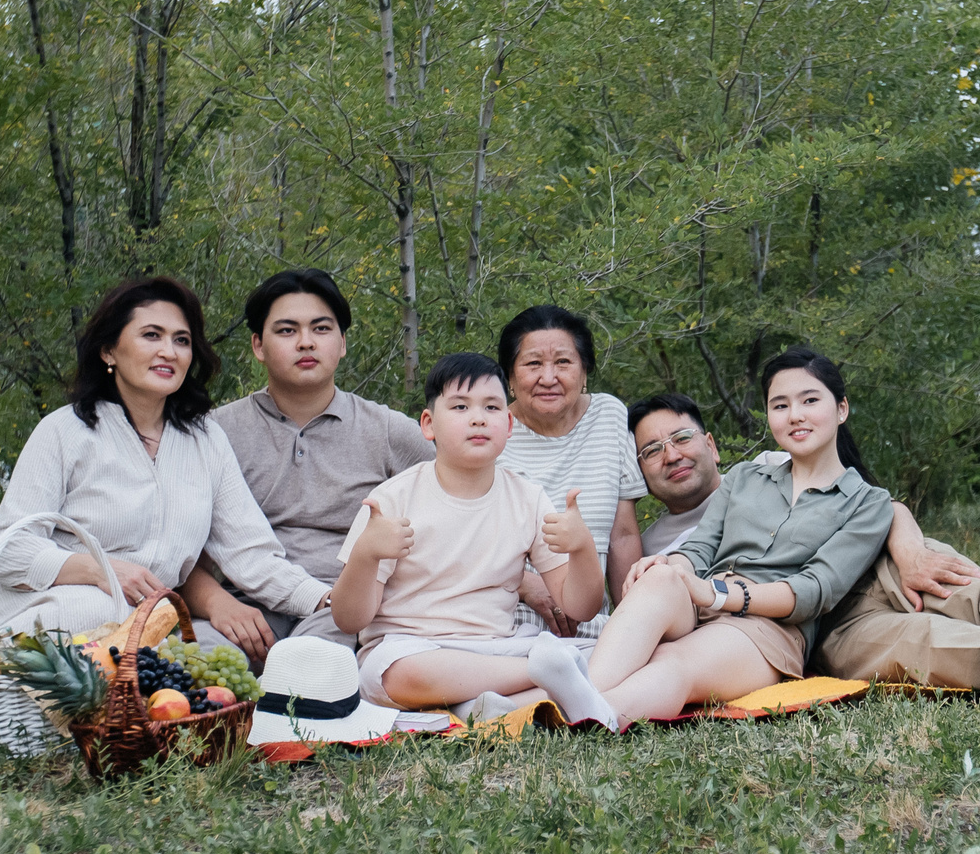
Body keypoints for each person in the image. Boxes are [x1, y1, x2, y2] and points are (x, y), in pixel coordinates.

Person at [626, 391, 980, 704]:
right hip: (813, 623)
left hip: (865, 564)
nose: (672, 455)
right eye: (651, 451)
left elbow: (878, 503)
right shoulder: (657, 551)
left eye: (681, 438)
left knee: (934, 568)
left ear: (710, 444)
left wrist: (908, 551)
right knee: (919, 643)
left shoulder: (772, 465)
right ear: (641, 473)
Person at [529, 351, 891, 730]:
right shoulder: (745, 478)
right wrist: (672, 567)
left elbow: (815, 589)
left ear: (842, 409)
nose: (795, 415)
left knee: (673, 661)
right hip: (700, 608)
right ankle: (586, 691)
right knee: (662, 577)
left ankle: (593, 713)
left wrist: (718, 594)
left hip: (767, 631)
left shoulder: (868, 503)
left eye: (810, 401)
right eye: (780, 405)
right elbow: (699, 549)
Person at [0, 276, 327, 646]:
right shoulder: (65, 431)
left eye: (181, 340)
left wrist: (323, 599)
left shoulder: (205, 441)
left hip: (146, 632)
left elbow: (252, 554)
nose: (169, 351)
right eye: (151, 335)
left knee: (194, 657)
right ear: (108, 351)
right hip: (49, 628)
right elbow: (7, 551)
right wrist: (101, 570)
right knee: (106, 612)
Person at [330, 352, 605, 712]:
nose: (478, 419)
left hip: (498, 646)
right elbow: (349, 619)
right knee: (395, 674)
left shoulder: (528, 497)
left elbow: (580, 607)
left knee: (609, 650)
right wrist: (366, 554)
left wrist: (582, 548)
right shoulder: (393, 499)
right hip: (414, 649)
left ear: (508, 425)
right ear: (428, 424)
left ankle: (489, 705)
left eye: (491, 408)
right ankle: (547, 680)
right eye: (460, 408)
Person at [185, 268, 434, 659]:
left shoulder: (385, 430)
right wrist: (217, 604)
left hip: (343, 605)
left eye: (321, 329)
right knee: (189, 663)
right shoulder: (216, 432)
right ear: (258, 346)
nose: (305, 343)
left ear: (343, 342)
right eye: (286, 331)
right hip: (244, 605)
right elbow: (181, 551)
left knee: (309, 668)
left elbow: (464, 489)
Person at [497, 305, 647, 618]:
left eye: (563, 362)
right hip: (506, 612)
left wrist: (631, 618)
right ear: (510, 376)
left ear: (584, 371)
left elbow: (622, 536)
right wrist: (526, 585)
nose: (548, 377)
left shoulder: (609, 415)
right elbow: (461, 536)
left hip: (588, 619)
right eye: (533, 363)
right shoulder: (490, 430)